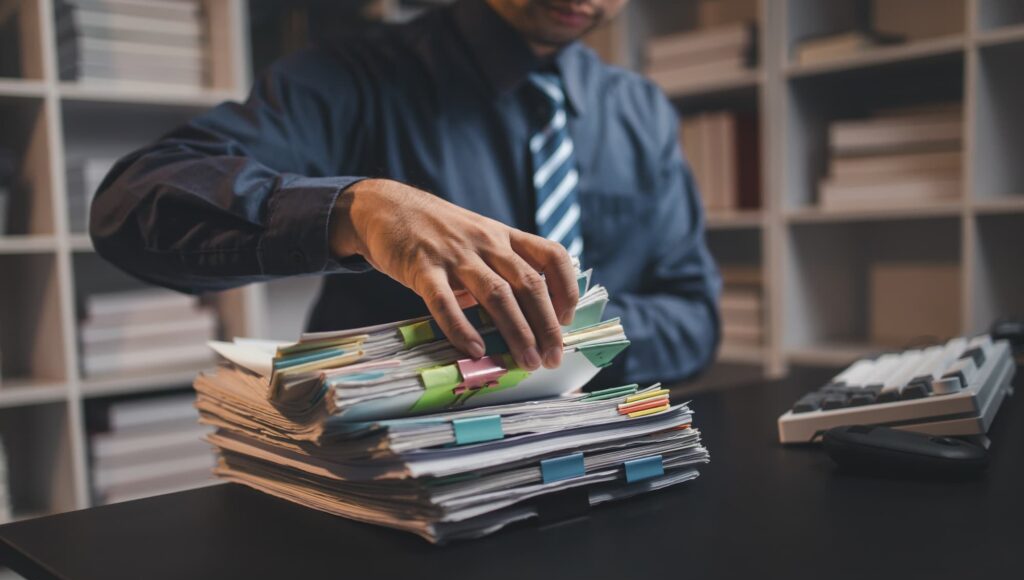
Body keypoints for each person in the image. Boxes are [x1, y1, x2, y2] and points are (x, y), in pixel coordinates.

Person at [90, 0, 721, 386]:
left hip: (611, 465)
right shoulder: (354, 75)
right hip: (400, 489)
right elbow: (131, 206)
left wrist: (569, 334)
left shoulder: (641, 110)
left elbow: (695, 319)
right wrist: (353, 210)